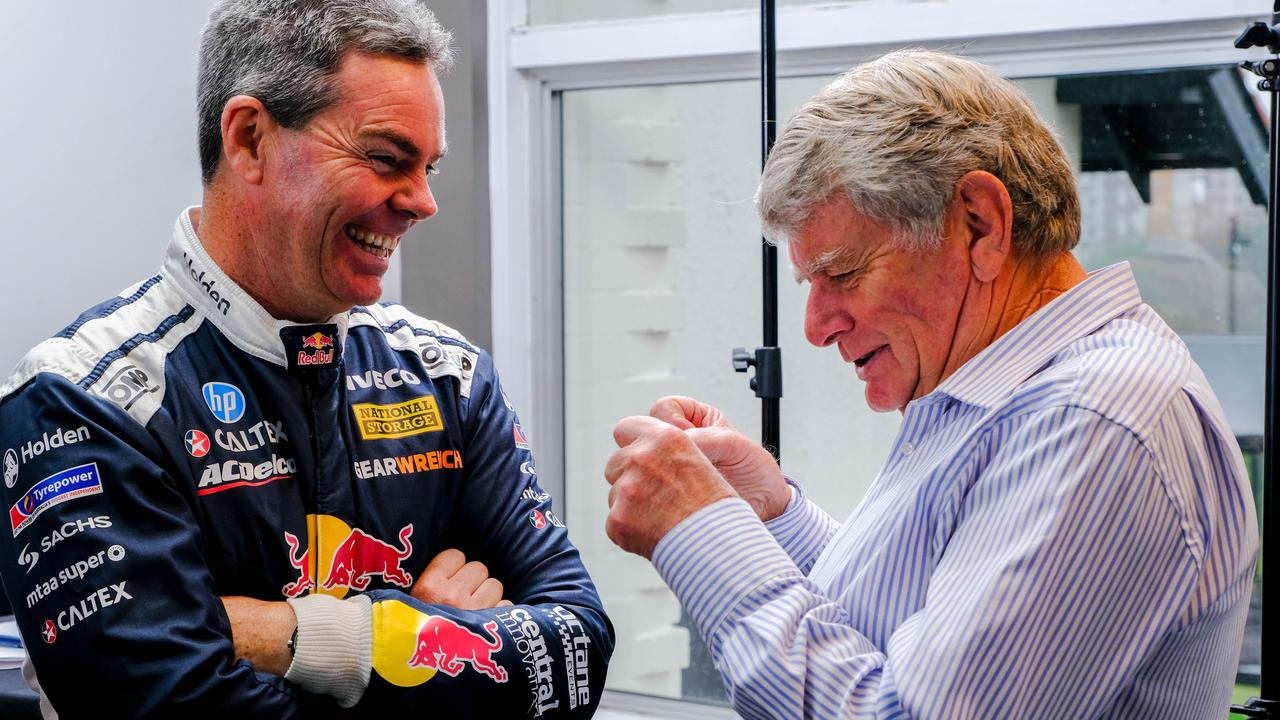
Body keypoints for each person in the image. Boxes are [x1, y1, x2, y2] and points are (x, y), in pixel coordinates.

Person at [604, 49, 1257, 719]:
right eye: (809, 284)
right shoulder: (1013, 395)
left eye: (844, 274)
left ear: (980, 224)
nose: (816, 327)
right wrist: (774, 515)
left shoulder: (1099, 420)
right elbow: (925, 627)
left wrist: (705, 534)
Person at [0, 0, 611, 716]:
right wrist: (425, 635)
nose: (423, 202)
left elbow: (576, 655)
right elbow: (173, 706)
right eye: (387, 158)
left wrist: (305, 636)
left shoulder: (451, 377)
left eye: (429, 167)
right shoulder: (82, 397)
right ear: (251, 139)